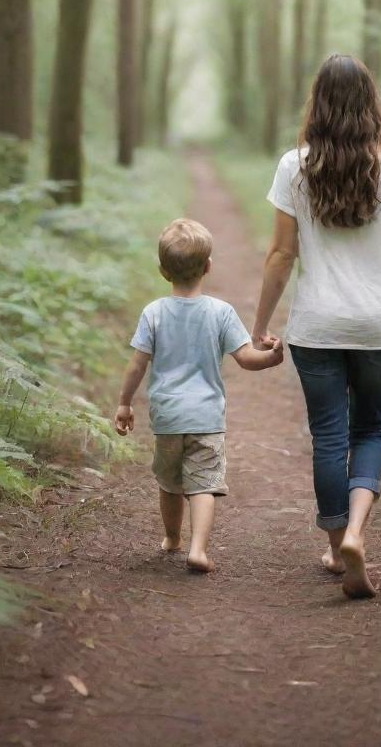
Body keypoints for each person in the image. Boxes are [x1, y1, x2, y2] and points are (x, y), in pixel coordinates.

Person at [252, 54, 381, 599]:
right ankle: (359, 534)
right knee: (369, 431)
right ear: (370, 104)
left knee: (328, 437)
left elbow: (280, 254)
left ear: (316, 103)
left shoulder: (294, 166)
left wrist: (259, 325)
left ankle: (338, 540)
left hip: (316, 327)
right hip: (376, 326)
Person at [115, 218, 284, 573]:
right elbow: (245, 358)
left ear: (163, 271)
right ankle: (198, 549)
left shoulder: (154, 313)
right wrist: (271, 357)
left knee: (170, 483)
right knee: (204, 484)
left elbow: (136, 366)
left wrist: (125, 403)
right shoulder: (220, 312)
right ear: (208, 266)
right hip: (206, 416)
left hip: (167, 417)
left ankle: (172, 538)